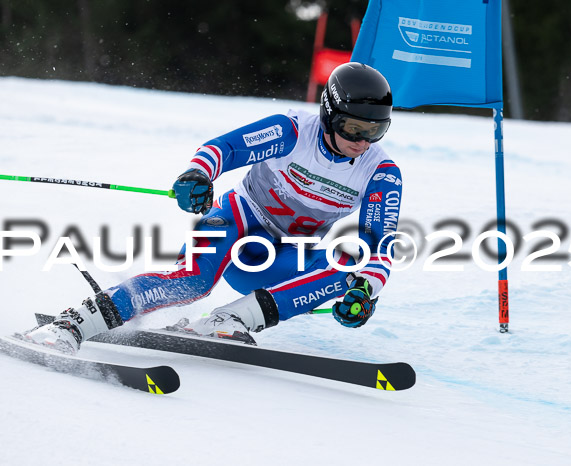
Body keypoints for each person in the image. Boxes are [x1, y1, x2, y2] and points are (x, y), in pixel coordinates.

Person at [21, 62, 403, 354]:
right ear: (330, 114)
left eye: (376, 130)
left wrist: (365, 291)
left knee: (353, 266)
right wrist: (198, 175)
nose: (363, 141)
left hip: (283, 259)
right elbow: (224, 149)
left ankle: (232, 319)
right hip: (240, 221)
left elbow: (379, 243)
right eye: (355, 128)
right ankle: (72, 325)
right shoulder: (292, 131)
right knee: (193, 281)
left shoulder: (381, 172)